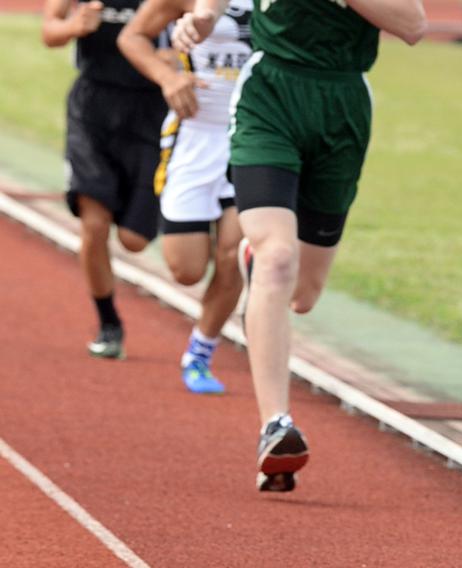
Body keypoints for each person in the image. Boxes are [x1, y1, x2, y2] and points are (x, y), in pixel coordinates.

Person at [170, 0, 427, 490]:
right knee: (278, 259)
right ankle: (276, 424)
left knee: (302, 295)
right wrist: (203, 16)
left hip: (343, 105)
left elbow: (413, 26)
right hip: (270, 95)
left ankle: (259, 257)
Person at [118, 0, 251, 394]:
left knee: (235, 255)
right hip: (194, 137)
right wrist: (166, 76)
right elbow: (133, 35)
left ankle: (200, 351)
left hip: (255, 138)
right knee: (187, 269)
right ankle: (211, 245)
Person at [42, 0, 168, 359]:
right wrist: (74, 27)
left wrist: (178, 56)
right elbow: (49, 31)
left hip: (150, 111)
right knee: (94, 225)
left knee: (134, 240)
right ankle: (109, 324)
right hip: (92, 110)